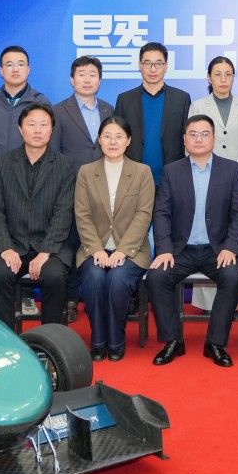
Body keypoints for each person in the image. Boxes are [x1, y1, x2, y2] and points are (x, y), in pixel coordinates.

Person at [147, 115, 238, 368]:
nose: (199, 139)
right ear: (184, 139)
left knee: (232, 277)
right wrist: (164, 249)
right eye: (193, 134)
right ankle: (173, 340)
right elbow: (161, 213)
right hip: (181, 250)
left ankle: (215, 343)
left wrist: (230, 247)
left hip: (217, 250)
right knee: (157, 277)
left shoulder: (231, 169)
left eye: (204, 134)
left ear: (213, 138)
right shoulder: (172, 171)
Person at [0, 103, 75, 328]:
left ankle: (50, 338)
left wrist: (46, 251)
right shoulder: (3, 163)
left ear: (51, 130)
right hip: (13, 244)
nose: (37, 130)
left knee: (54, 276)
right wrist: (5, 248)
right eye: (31, 124)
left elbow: (63, 212)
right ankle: (7, 339)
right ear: (20, 129)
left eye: (44, 125)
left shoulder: (64, 165)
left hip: (50, 248)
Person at [73, 116, 154, 361]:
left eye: (119, 136)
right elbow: (82, 214)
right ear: (99, 140)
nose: (113, 142)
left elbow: (143, 215)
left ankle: (116, 339)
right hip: (93, 247)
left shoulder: (142, 172)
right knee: (95, 277)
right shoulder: (86, 172)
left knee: (117, 279)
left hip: (131, 249)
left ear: (128, 141)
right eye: (107, 136)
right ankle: (98, 340)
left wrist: (122, 251)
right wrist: (96, 249)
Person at [188, 56, 238, 318]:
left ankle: (230, 305)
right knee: (208, 236)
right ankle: (206, 305)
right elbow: (193, 143)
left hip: (236, 182)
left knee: (231, 238)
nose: (223, 79)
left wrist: (237, 179)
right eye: (218, 74)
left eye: (228, 74)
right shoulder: (198, 105)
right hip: (205, 179)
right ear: (209, 78)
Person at [53, 55, 115, 324]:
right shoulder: (58, 112)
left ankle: (95, 299)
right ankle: (70, 299)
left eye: (92, 74)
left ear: (99, 80)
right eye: (81, 74)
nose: (87, 79)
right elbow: (54, 155)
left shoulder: (109, 110)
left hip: (104, 191)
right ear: (72, 79)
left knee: (99, 244)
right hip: (70, 188)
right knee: (70, 246)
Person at [0, 45, 50, 249]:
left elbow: (49, 145)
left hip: (29, 187)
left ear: (28, 69)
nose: (15, 69)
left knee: (27, 247)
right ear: (1, 70)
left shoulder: (40, 102)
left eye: (20, 64)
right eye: (9, 64)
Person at [114, 41, 192, 190]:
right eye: (147, 63)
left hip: (172, 180)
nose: (153, 69)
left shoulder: (181, 99)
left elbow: (187, 139)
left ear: (166, 66)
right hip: (133, 181)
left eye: (159, 63)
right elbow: (118, 138)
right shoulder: (125, 99)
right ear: (140, 65)